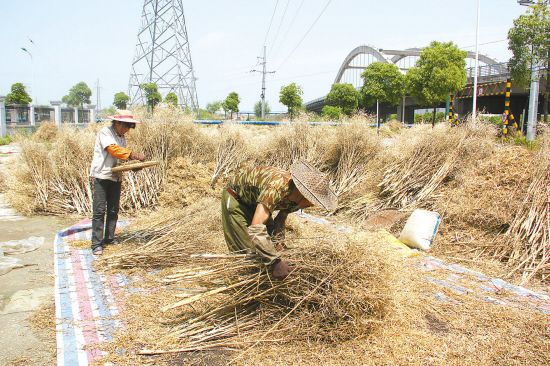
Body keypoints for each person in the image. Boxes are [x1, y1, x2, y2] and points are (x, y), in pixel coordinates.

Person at [221, 161, 337, 279]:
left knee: (270, 244)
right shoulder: (277, 187)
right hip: (237, 199)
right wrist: (275, 263)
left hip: (257, 201)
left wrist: (279, 244)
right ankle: (240, 283)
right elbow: (256, 227)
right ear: (303, 193)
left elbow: (280, 219)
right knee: (247, 251)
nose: (313, 204)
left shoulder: (297, 200)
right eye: (313, 200)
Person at [89, 110, 146, 255]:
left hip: (115, 176)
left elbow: (120, 158)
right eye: (126, 126)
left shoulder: (121, 137)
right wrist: (133, 155)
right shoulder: (105, 132)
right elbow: (113, 150)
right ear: (118, 123)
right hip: (102, 175)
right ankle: (96, 244)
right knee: (100, 210)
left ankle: (109, 238)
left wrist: (133, 166)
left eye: (129, 127)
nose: (127, 130)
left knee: (113, 209)